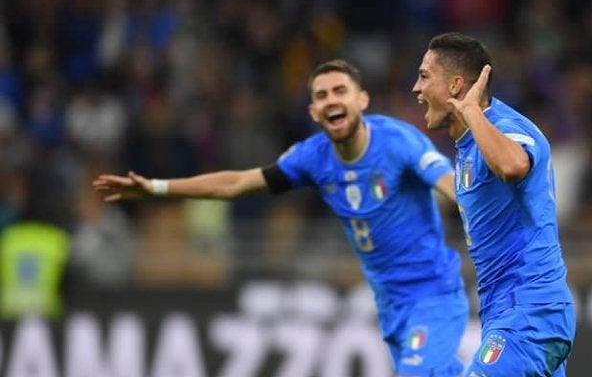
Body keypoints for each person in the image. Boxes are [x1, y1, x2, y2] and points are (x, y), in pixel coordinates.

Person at [94, 59, 469, 376]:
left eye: (340, 91)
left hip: (433, 294)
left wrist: (485, 218)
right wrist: (157, 188)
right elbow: (238, 183)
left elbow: (453, 186)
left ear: (362, 100)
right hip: (391, 304)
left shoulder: (399, 143)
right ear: (313, 112)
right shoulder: (313, 158)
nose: (331, 100)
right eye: (322, 95)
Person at [411, 32, 576, 376]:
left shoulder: (505, 127)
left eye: (425, 76)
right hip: (508, 314)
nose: (417, 88)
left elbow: (513, 165)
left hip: (529, 314)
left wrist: (472, 112)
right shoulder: (468, 147)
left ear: (455, 85)